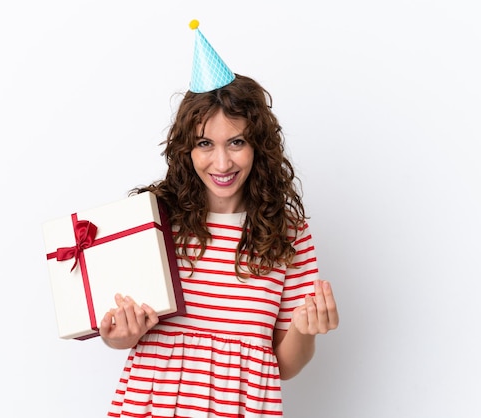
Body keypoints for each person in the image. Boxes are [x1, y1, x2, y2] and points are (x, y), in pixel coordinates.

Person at [99, 21, 339, 417]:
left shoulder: (288, 234)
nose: (222, 162)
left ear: (258, 145)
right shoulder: (156, 221)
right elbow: (122, 332)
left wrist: (305, 329)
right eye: (205, 143)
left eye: (237, 142)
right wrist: (118, 335)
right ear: (186, 149)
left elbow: (285, 366)